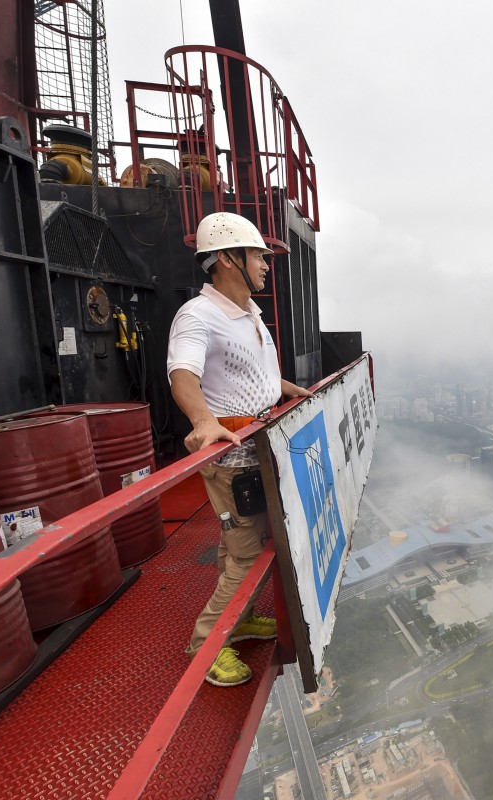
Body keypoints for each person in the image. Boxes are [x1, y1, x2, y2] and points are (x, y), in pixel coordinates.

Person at [167, 211, 313, 687]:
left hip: (258, 451)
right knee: (247, 554)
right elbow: (183, 375)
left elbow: (247, 371)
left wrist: (282, 387)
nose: (266, 265)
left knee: (240, 545)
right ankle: (205, 647)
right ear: (228, 259)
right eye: (258, 256)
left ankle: (242, 618)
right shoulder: (198, 315)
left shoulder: (249, 312)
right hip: (234, 458)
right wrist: (203, 421)